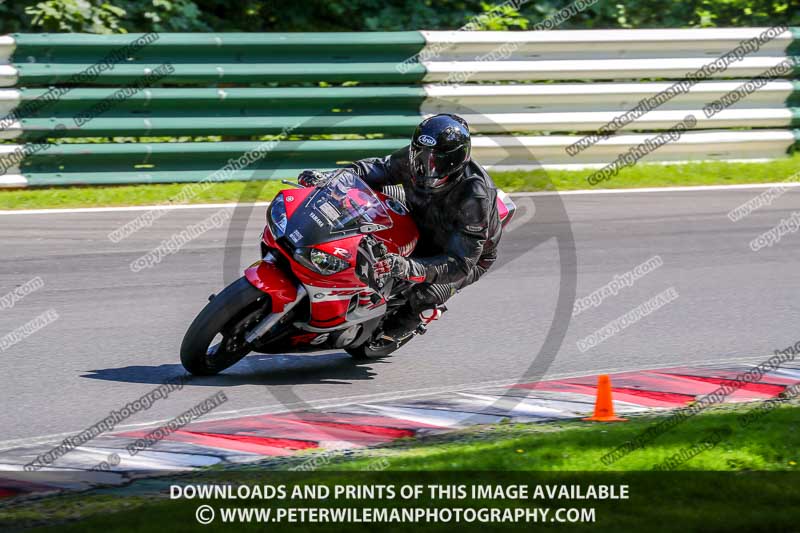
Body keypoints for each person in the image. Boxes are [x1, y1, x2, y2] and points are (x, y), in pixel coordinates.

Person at [298, 114, 502, 341]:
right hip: (420, 212)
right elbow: (374, 170)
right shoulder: (412, 159)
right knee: (364, 205)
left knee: (424, 295)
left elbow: (460, 263)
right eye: (421, 157)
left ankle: (412, 320)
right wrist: (331, 179)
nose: (425, 166)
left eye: (436, 161)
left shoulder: (474, 197)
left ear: (455, 161)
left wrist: (407, 267)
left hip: (462, 255)